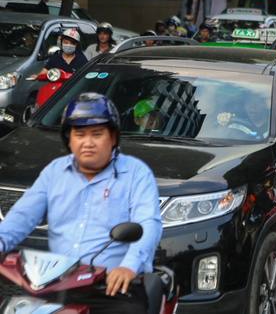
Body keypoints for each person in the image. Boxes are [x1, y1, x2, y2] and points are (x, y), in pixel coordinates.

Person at [0, 93, 162, 313]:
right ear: (69, 139)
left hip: (111, 288)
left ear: (113, 137)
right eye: (80, 134)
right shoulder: (54, 172)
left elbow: (148, 224)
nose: (88, 142)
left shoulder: (137, 173)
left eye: (97, 134)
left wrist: (128, 266)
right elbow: (22, 215)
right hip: (55, 283)